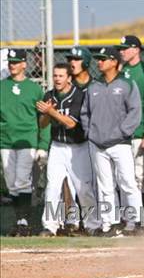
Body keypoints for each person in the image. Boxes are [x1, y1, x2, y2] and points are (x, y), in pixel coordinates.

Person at [80, 47, 143, 236]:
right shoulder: (93, 86)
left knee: (127, 183)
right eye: (98, 59)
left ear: (114, 62)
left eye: (103, 59)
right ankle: (110, 224)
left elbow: (135, 111)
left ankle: (136, 222)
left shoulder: (126, 84)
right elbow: (85, 113)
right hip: (97, 144)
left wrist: (122, 132)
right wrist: (90, 132)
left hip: (120, 143)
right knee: (105, 186)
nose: (99, 62)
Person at [36, 63, 100, 237]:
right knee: (53, 186)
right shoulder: (49, 95)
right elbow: (42, 125)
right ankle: (50, 226)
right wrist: (46, 114)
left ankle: (92, 224)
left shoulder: (79, 95)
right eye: (55, 75)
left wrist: (52, 112)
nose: (57, 79)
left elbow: (72, 123)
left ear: (69, 78)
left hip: (78, 146)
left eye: (61, 76)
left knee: (83, 187)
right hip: (57, 146)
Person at [0, 49, 50, 236]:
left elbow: (44, 119)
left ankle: (24, 221)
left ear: (24, 64)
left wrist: (43, 145)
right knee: (11, 183)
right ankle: (18, 221)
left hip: (27, 140)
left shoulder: (34, 88)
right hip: (5, 141)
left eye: (16, 62)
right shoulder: (2, 86)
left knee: (22, 180)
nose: (12, 65)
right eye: (10, 62)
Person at [116, 35, 144, 201]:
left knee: (139, 174)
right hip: (119, 133)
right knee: (121, 176)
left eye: (126, 48)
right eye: (120, 49)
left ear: (137, 49)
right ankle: (128, 216)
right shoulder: (119, 71)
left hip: (138, 131)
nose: (122, 52)